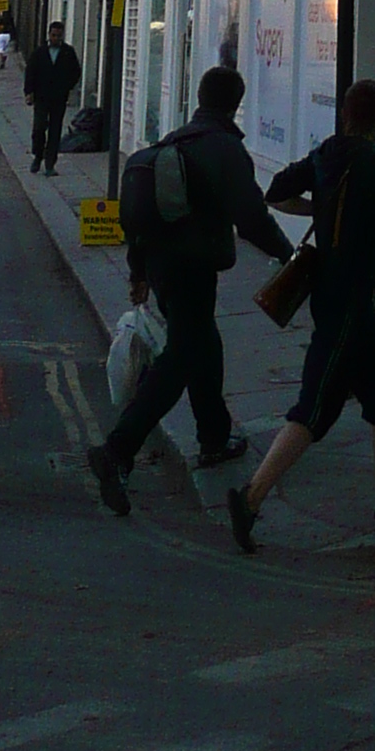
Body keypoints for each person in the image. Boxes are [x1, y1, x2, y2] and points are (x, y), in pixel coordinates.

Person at [225, 78, 375, 549]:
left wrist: (317, 211)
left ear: (345, 114)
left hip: (343, 301)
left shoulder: (327, 153)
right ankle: (251, 498)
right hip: (348, 304)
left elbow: (276, 193)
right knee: (316, 406)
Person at [86, 63, 290, 517]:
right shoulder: (224, 148)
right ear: (236, 103)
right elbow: (251, 216)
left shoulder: (174, 139)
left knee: (201, 342)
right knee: (180, 357)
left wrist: (138, 271)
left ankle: (213, 436)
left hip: (161, 265)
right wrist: (287, 254)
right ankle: (118, 449)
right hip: (194, 266)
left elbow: (142, 216)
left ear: (199, 97)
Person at [24, 20, 82, 174]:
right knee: (39, 128)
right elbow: (30, 72)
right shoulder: (39, 52)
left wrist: (67, 87)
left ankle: (50, 164)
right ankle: (37, 155)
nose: (56, 38)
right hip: (41, 97)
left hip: (59, 97)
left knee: (55, 131)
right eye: (53, 35)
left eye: (59, 36)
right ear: (49, 35)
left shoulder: (68, 52)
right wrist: (28, 92)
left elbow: (76, 72)